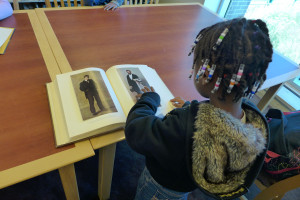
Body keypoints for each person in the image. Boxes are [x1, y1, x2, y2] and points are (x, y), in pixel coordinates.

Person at [125, 18, 273, 200]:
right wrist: (190, 108)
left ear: (207, 75)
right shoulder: (254, 118)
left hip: (161, 189)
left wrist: (148, 100)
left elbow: (136, 131)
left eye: (195, 63)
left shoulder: (182, 126)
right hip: (189, 180)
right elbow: (214, 123)